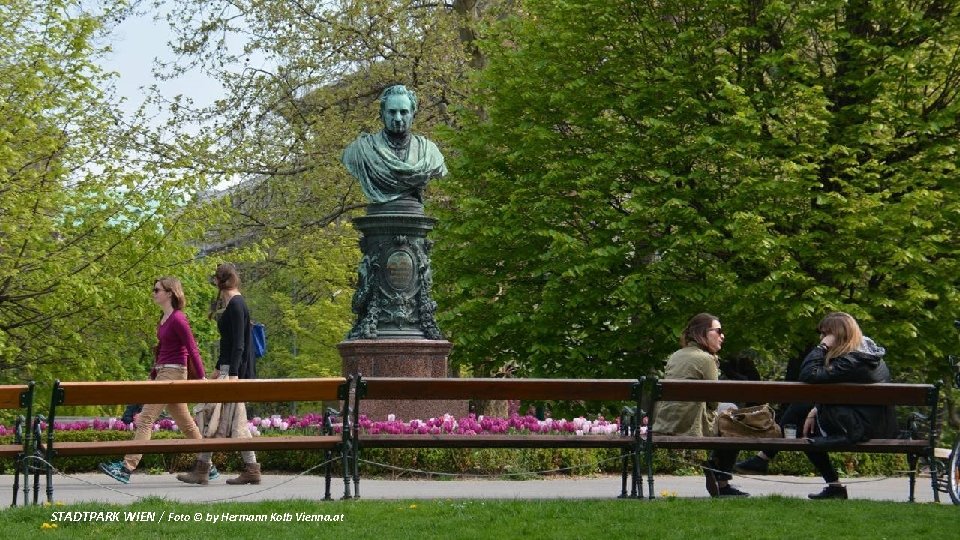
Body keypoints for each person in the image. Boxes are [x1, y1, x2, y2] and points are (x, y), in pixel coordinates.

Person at [98, 277, 205, 483]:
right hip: (164, 373)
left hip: (173, 374)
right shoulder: (164, 319)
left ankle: (126, 467)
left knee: (145, 419)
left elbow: (192, 348)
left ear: (170, 293)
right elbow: (163, 350)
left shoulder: (178, 319)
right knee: (186, 424)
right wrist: (153, 374)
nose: (153, 293)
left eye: (157, 290)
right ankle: (207, 465)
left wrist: (201, 378)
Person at [798, 312, 897, 500]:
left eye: (825, 334)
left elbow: (808, 375)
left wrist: (822, 347)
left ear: (838, 335)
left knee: (799, 412)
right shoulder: (865, 355)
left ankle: (765, 457)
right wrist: (816, 409)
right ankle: (765, 456)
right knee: (802, 411)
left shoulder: (853, 361)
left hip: (860, 429)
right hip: (868, 423)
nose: (822, 338)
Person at [177, 263, 259, 485]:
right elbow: (229, 343)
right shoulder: (232, 303)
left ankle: (210, 469)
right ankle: (209, 469)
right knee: (218, 418)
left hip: (234, 373)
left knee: (224, 420)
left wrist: (231, 375)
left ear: (218, 281)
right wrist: (217, 370)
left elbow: (239, 345)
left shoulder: (236, 305)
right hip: (228, 370)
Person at [652, 313, 749, 497]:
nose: (722, 336)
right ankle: (722, 481)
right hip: (691, 425)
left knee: (727, 409)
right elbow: (713, 401)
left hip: (667, 422)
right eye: (718, 331)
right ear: (702, 332)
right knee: (733, 416)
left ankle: (715, 467)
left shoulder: (676, 355)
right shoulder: (706, 359)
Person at [341, 84, 447, 205]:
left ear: (413, 114)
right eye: (392, 112)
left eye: (403, 112)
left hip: (412, 211)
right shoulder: (359, 150)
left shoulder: (430, 152)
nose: (397, 118)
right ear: (382, 114)